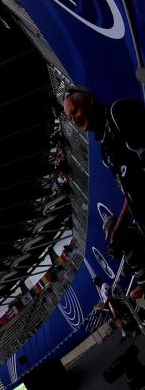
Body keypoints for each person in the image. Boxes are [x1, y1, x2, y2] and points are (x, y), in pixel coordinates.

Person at [64, 87, 145, 287]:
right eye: (69, 117)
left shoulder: (119, 112)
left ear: (90, 99)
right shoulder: (105, 152)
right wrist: (118, 230)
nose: (73, 119)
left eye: (74, 111)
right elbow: (131, 190)